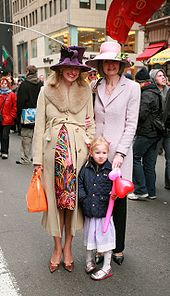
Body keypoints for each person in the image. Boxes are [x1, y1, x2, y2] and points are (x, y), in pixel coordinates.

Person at [32, 46, 95, 273]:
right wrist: (37, 160)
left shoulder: (86, 90)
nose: (72, 72)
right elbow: (39, 126)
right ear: (60, 68)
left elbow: (90, 121)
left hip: (78, 155)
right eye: (68, 67)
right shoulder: (46, 90)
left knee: (73, 205)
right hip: (53, 156)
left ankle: (69, 247)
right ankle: (56, 247)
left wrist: (91, 143)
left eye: (76, 68)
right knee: (56, 204)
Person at [85, 41, 141, 265]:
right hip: (97, 152)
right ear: (101, 65)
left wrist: (120, 153)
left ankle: (118, 248)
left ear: (121, 64)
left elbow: (131, 124)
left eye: (114, 62)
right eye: (106, 62)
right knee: (98, 200)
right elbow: (91, 117)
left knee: (118, 201)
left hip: (119, 154)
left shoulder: (133, 88)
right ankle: (101, 246)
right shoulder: (95, 86)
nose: (111, 66)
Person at [78, 137, 115, 280]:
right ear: (91, 153)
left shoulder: (111, 169)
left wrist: (115, 193)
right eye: (98, 152)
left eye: (104, 152)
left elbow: (117, 186)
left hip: (104, 213)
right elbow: (80, 182)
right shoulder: (86, 168)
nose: (101, 155)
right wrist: (83, 198)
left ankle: (107, 266)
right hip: (89, 210)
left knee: (106, 238)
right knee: (89, 237)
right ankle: (89, 261)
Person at [127, 68, 163, 200]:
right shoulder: (156, 91)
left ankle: (141, 189)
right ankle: (151, 192)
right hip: (155, 133)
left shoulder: (146, 94)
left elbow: (141, 114)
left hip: (146, 132)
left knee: (134, 157)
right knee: (149, 163)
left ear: (141, 83)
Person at [16, 65, 43, 164]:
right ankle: (36, 157)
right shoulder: (41, 84)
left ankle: (25, 158)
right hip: (39, 113)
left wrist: (19, 116)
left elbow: (20, 102)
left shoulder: (24, 84)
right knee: (37, 137)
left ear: (27, 72)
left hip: (27, 114)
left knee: (26, 137)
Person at [150, 69, 170, 189]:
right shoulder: (151, 92)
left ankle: (168, 182)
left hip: (167, 128)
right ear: (153, 78)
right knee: (151, 158)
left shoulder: (169, 91)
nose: (164, 77)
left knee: (169, 157)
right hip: (155, 129)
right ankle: (150, 185)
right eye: (160, 75)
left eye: (164, 75)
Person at [0, 77, 17, 159]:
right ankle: (1, 150)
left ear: (8, 84)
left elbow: (14, 106)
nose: (3, 85)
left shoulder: (11, 95)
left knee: (5, 136)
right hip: (0, 117)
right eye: (2, 83)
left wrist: (12, 116)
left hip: (7, 119)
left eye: (5, 83)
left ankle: (4, 152)